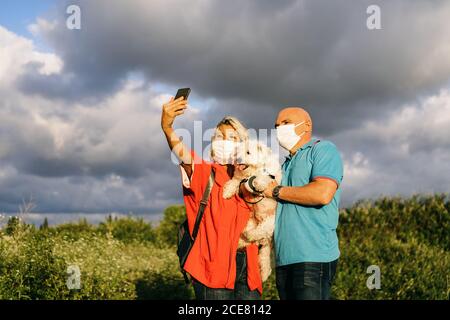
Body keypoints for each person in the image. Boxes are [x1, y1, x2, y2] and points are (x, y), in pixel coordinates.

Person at [161, 96, 263, 300]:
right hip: (212, 269)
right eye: (219, 137)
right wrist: (167, 126)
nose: (225, 142)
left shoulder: (251, 178)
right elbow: (182, 154)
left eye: (233, 138)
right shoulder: (203, 172)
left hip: (249, 270)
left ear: (244, 145)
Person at [263, 107, 344, 300]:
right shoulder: (283, 165)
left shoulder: (322, 149)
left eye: (286, 123)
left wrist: (275, 191)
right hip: (283, 261)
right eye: (276, 125)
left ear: (307, 125)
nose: (279, 129)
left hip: (313, 258)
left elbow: (322, 193)